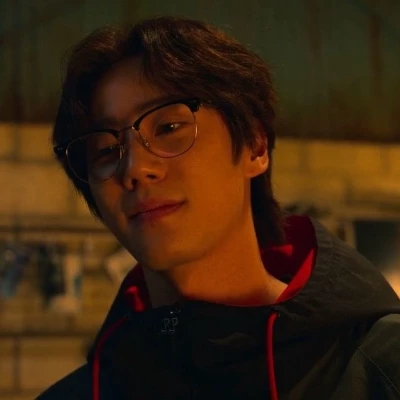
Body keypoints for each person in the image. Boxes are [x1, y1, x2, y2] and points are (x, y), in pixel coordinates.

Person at [38, 16, 400, 400]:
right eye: (106, 150)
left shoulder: (378, 367)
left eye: (168, 127)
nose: (135, 169)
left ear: (255, 146)